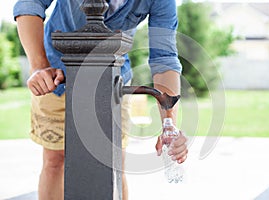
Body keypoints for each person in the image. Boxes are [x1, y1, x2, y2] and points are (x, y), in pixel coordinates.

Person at [13, 0, 188, 199]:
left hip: (112, 81)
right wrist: (39, 66)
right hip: (56, 77)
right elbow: (30, 4)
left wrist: (169, 124)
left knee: (113, 162)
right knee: (55, 160)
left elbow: (164, 57)